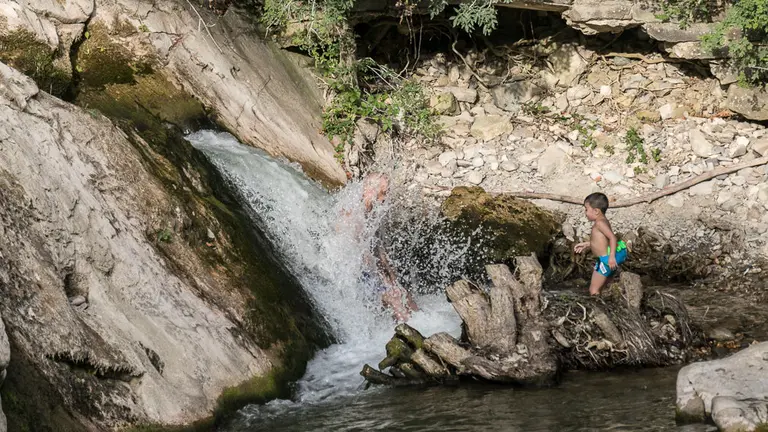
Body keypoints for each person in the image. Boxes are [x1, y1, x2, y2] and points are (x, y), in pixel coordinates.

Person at [357, 173, 419, 321]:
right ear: (368, 191)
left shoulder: (372, 215)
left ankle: (425, 331)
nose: (385, 198)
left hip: (370, 272)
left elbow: (379, 253)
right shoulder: (354, 217)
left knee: (404, 295)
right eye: (383, 193)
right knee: (396, 297)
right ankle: (410, 336)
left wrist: (393, 279)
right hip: (355, 278)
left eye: (387, 193)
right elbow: (362, 258)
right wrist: (387, 285)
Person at [573, 192, 628, 296]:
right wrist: (587, 244)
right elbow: (602, 240)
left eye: (586, 209)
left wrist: (611, 257)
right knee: (603, 288)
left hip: (606, 261)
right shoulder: (603, 221)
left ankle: (597, 309)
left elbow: (612, 238)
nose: (585, 212)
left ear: (596, 211)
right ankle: (607, 303)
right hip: (607, 260)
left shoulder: (599, 223)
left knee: (593, 290)